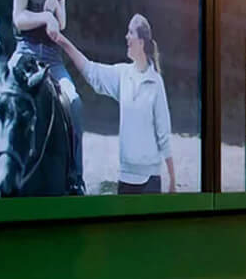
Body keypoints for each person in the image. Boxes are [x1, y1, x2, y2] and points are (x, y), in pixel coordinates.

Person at [50, 14, 178, 194]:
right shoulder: (122, 75)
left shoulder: (155, 83)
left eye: (130, 32)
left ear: (141, 42)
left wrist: (172, 179)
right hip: (125, 178)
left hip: (150, 180)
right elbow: (91, 71)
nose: (126, 37)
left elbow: (164, 133)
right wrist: (62, 41)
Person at [11, 0, 85, 194]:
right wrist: (43, 14)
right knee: (0, 98)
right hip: (26, 51)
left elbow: (62, 22)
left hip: (52, 57)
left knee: (75, 103)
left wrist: (54, 8)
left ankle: (75, 177)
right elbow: (18, 18)